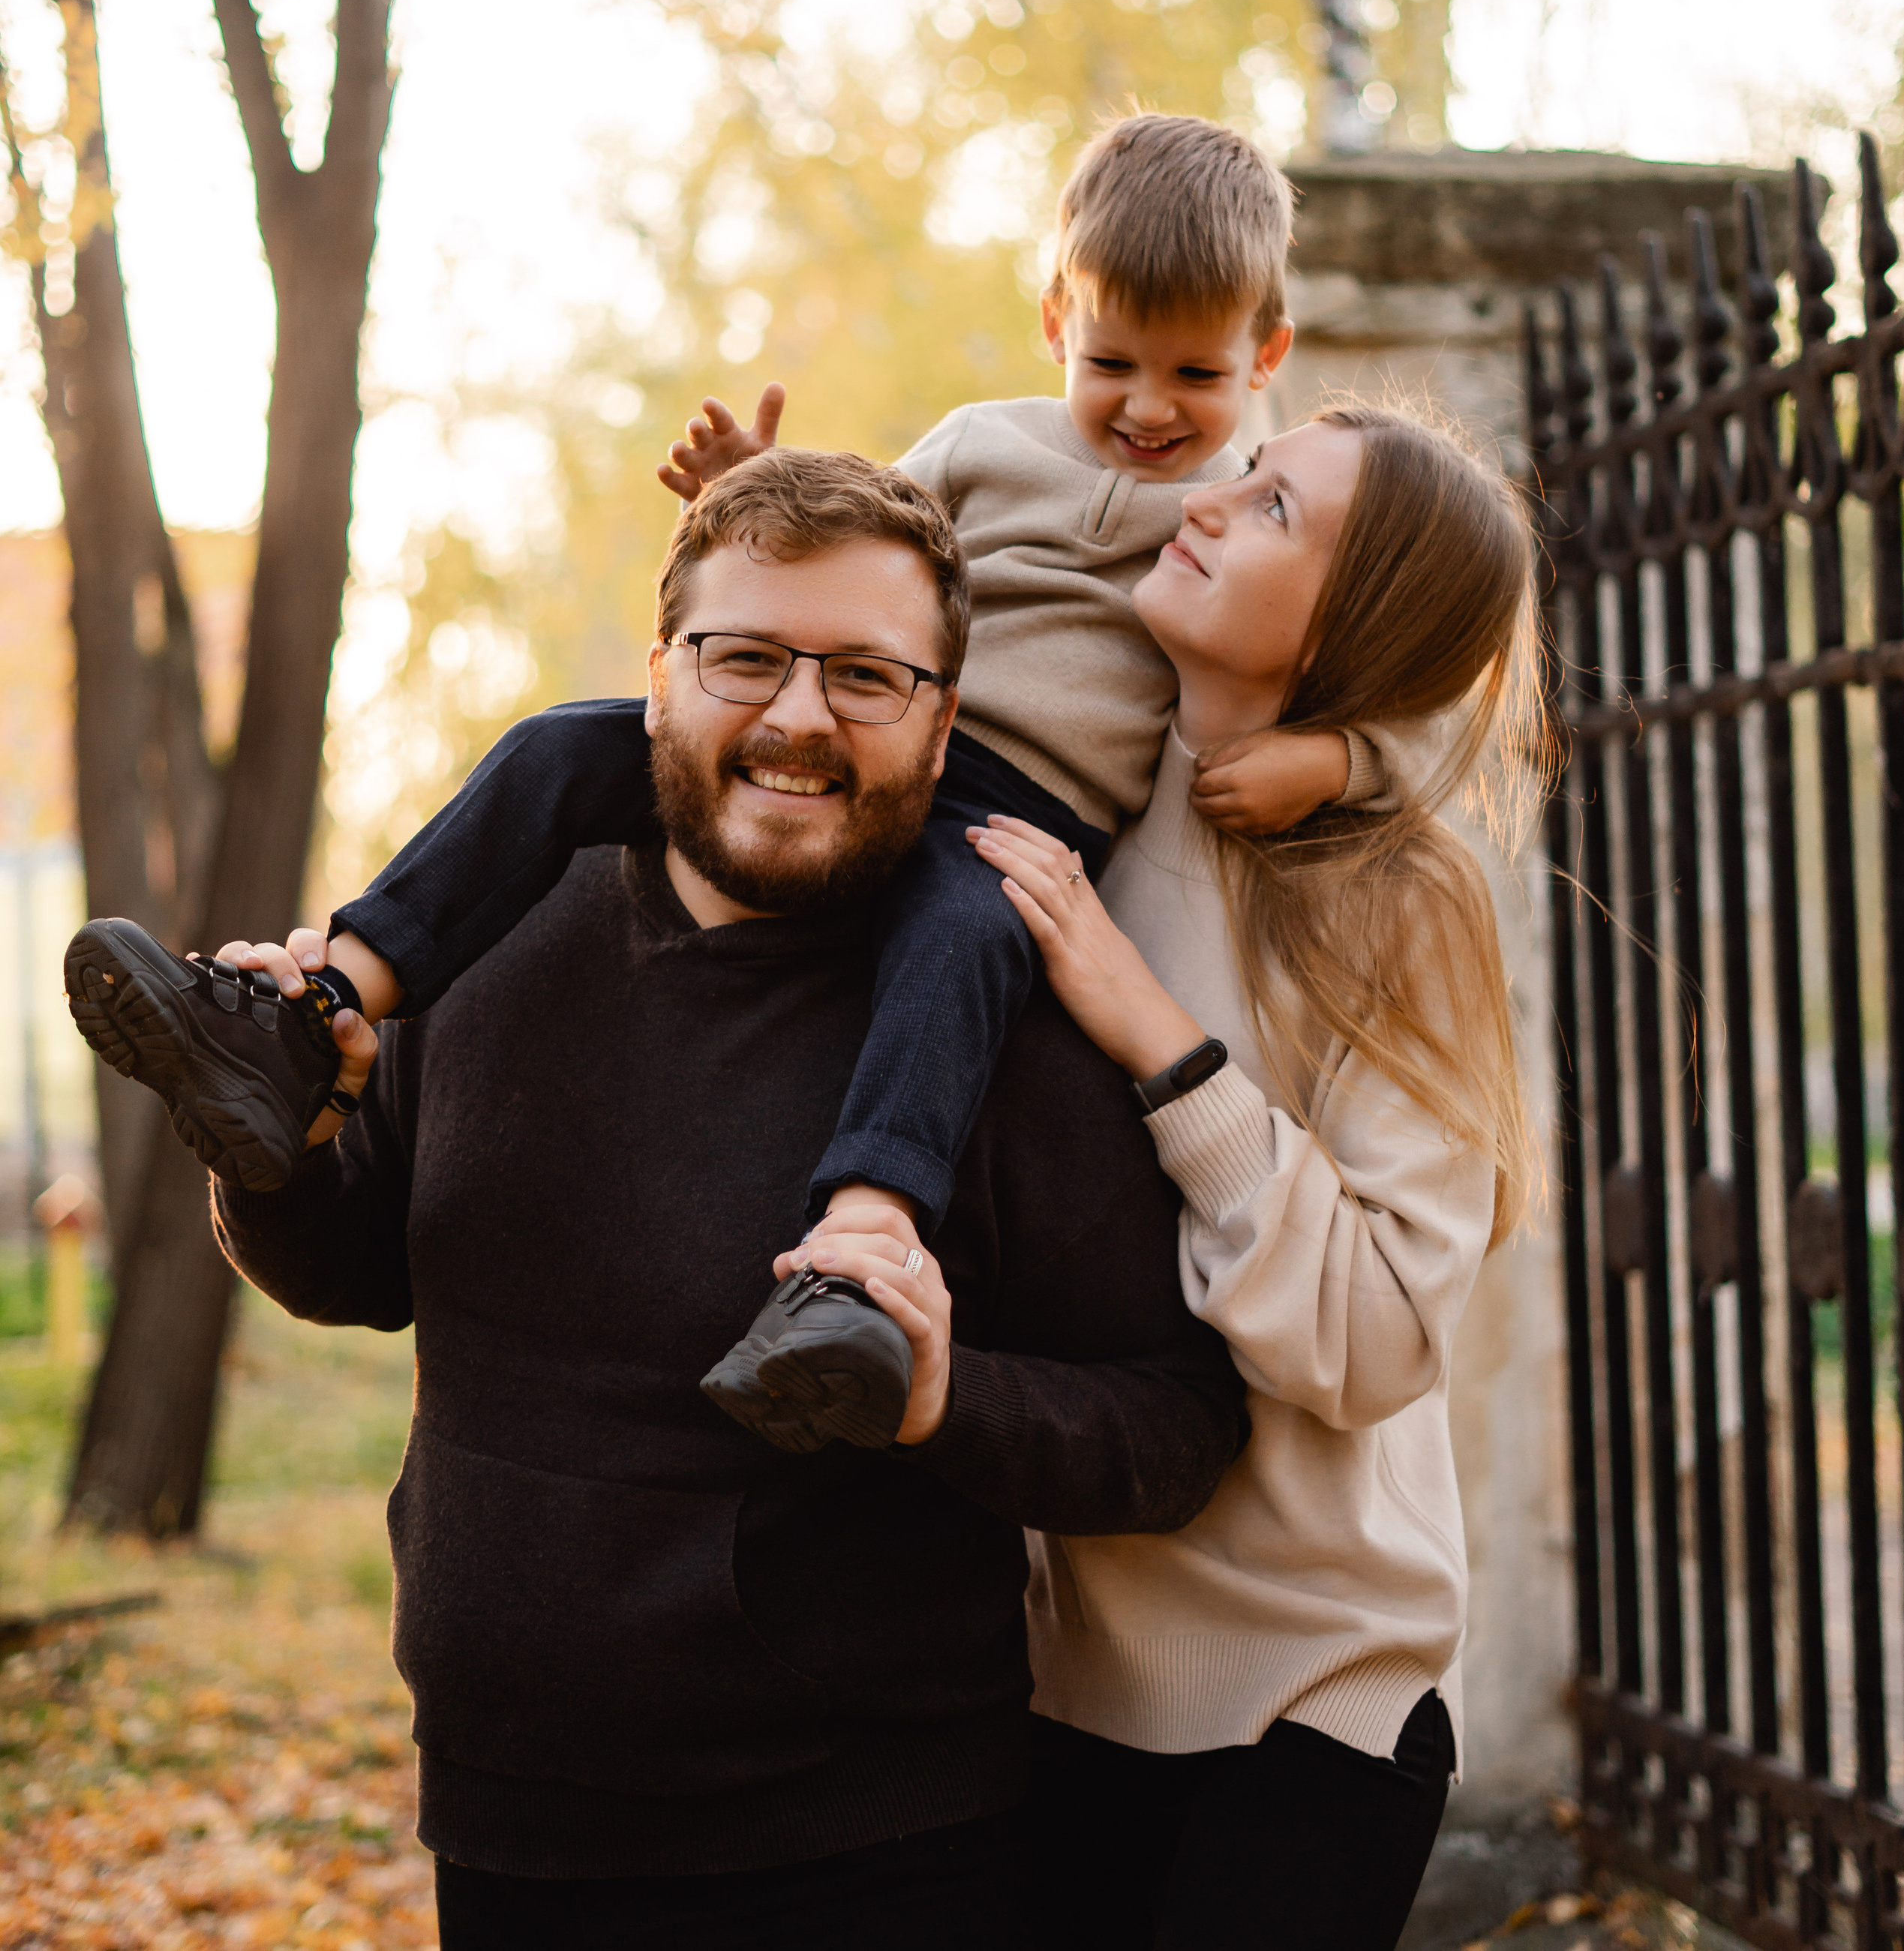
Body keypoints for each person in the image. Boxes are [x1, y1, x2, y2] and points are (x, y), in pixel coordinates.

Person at [66, 111, 1389, 1454]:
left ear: (1265, 353)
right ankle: (320, 999)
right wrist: (758, 494)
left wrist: (1332, 753)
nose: (1151, 408)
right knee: (555, 747)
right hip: (875, 757)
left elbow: (1424, 693)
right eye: (1112, 360)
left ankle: (857, 1253)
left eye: (1196, 375)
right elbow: (851, 547)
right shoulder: (985, 446)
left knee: (955, 941)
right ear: (1055, 316)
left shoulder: (1226, 520)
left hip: (1000, 824)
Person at [139, 452, 1249, 1948]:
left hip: (875, 1857)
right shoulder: (492, 932)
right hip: (502, 1823)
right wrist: (275, 1152)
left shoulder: (1000, 1024)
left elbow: (1174, 1429)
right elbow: (362, 1267)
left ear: (941, 720)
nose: (798, 715)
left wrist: (942, 1396)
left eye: (866, 675)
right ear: (659, 676)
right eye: (747, 659)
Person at [933, 399, 1543, 1951]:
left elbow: (1380, 1343)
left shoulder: (1393, 895)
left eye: (1270, 509)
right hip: (1048, 1670)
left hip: (1309, 1696)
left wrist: (1158, 1042)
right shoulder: (1074, 777)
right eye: (1242, 477)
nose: (1204, 502)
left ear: (1356, 621)